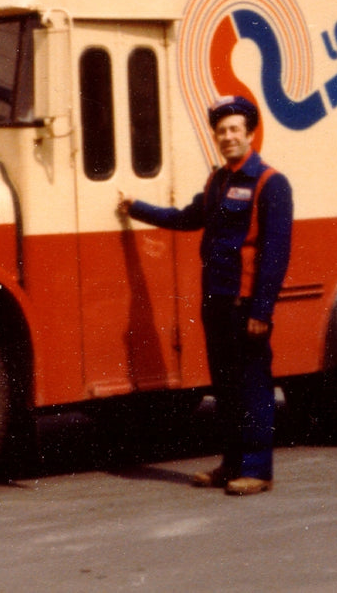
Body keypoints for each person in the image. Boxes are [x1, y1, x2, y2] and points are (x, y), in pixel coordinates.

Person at [117, 95, 293, 496]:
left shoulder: (270, 183)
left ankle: (257, 469)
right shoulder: (219, 180)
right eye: (221, 130)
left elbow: (275, 255)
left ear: (250, 134)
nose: (228, 136)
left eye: (235, 130)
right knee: (226, 387)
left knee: (252, 387)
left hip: (245, 304)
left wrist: (262, 309)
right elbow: (186, 218)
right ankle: (231, 464)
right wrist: (138, 208)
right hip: (215, 301)